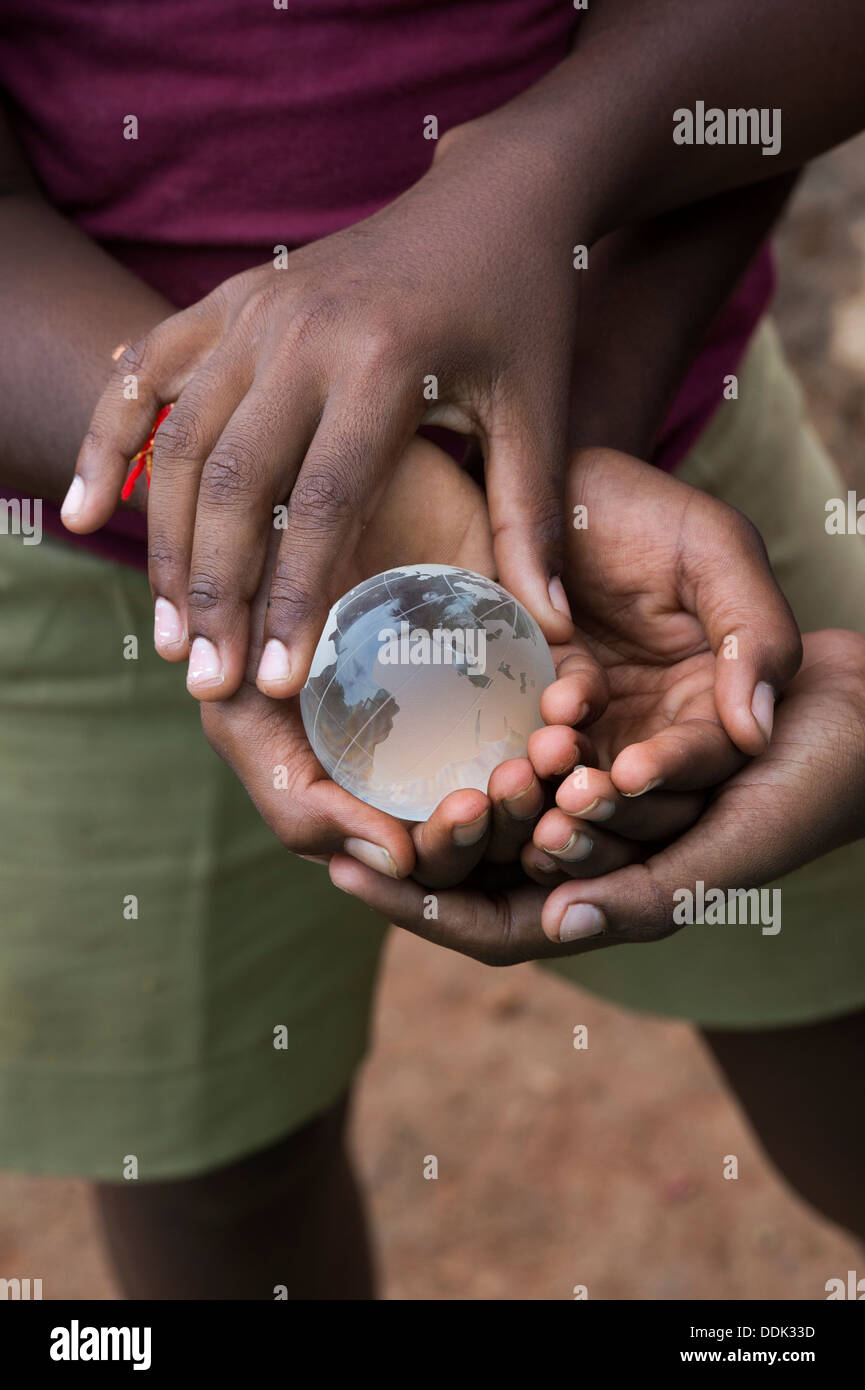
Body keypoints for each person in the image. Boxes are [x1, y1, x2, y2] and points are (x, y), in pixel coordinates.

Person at [1, 0, 864, 1298]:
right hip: (105, 570)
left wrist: (531, 182)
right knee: (214, 1173)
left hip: (672, 502)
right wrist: (254, 488)